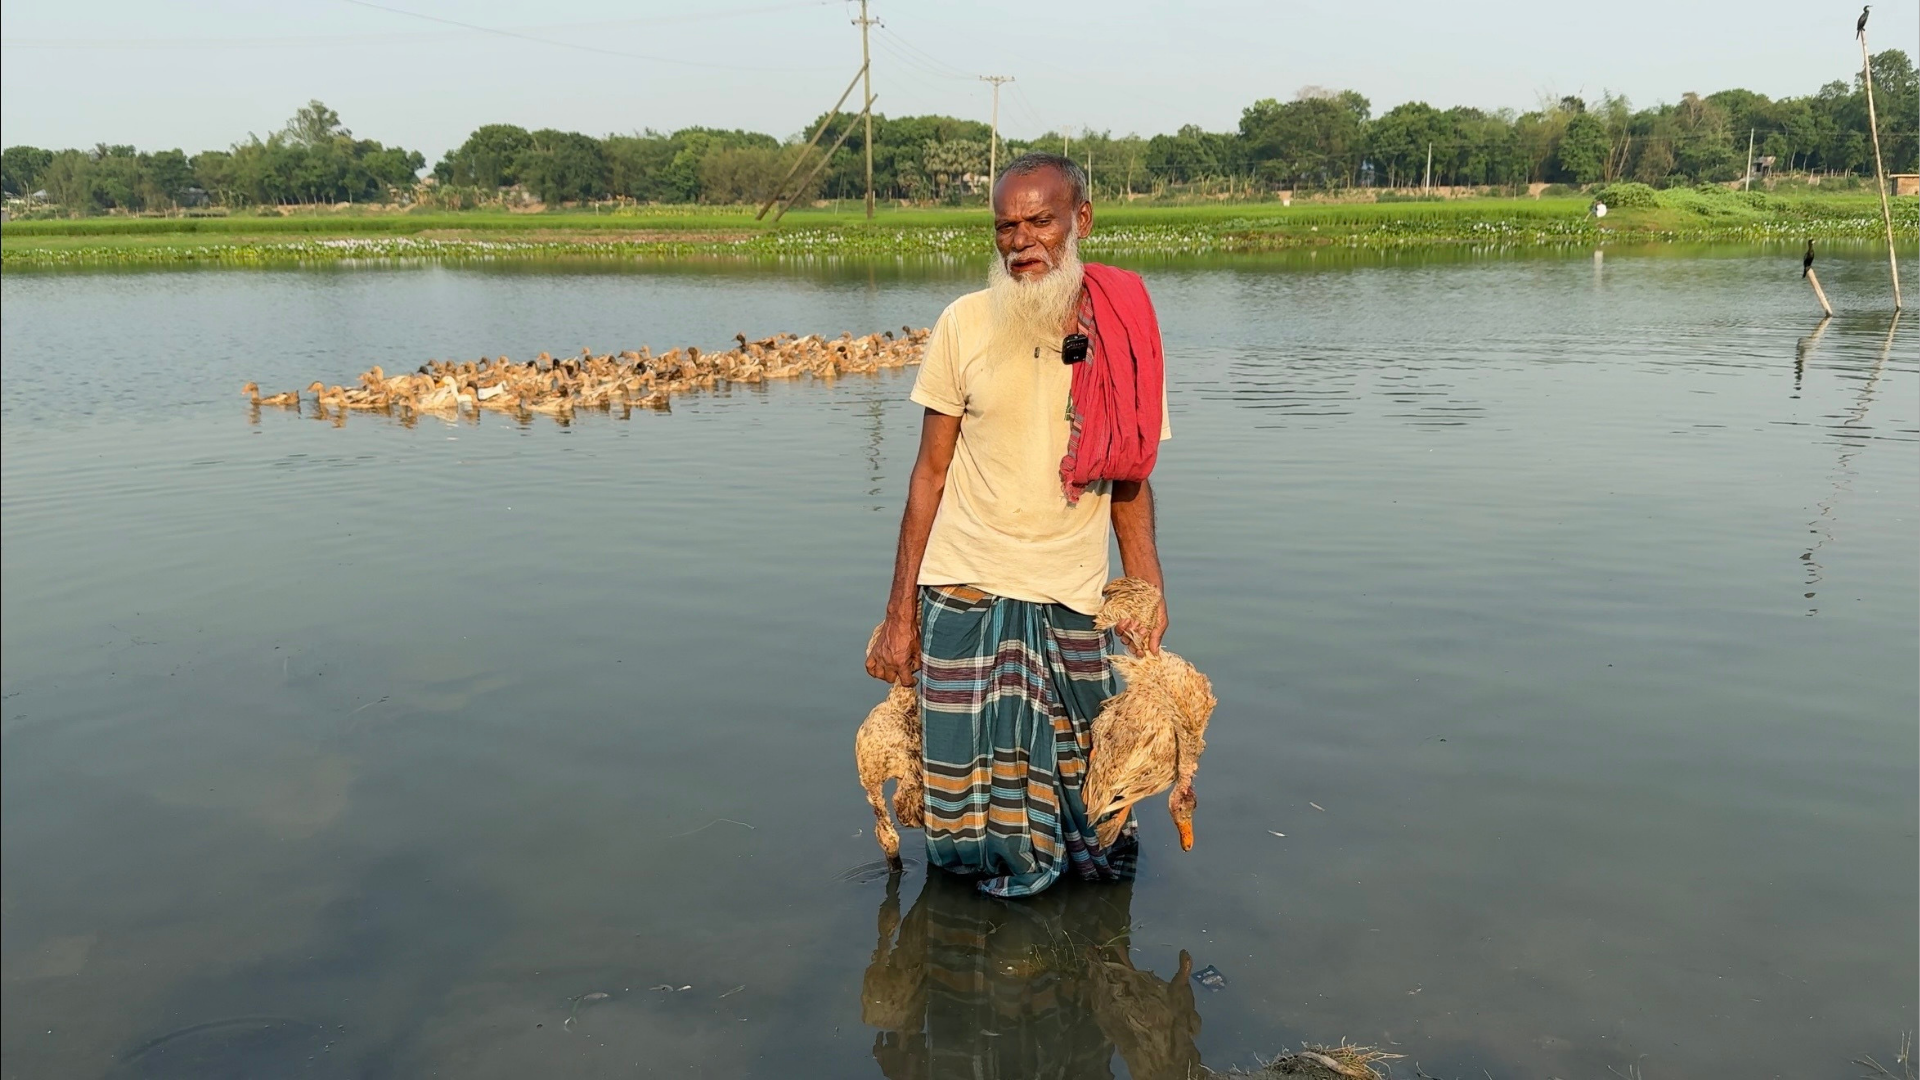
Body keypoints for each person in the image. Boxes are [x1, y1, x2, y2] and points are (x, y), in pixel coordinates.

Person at [866, 152, 1173, 898]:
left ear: (1081, 221)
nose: (1023, 241)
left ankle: (1073, 908)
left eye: (1041, 220)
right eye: (1007, 225)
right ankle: (977, 909)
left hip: (1075, 589)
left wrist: (1147, 592)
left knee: (1086, 774)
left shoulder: (1123, 332)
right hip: (964, 584)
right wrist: (897, 611)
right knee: (961, 786)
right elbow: (928, 474)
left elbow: (1130, 477)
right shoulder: (964, 323)